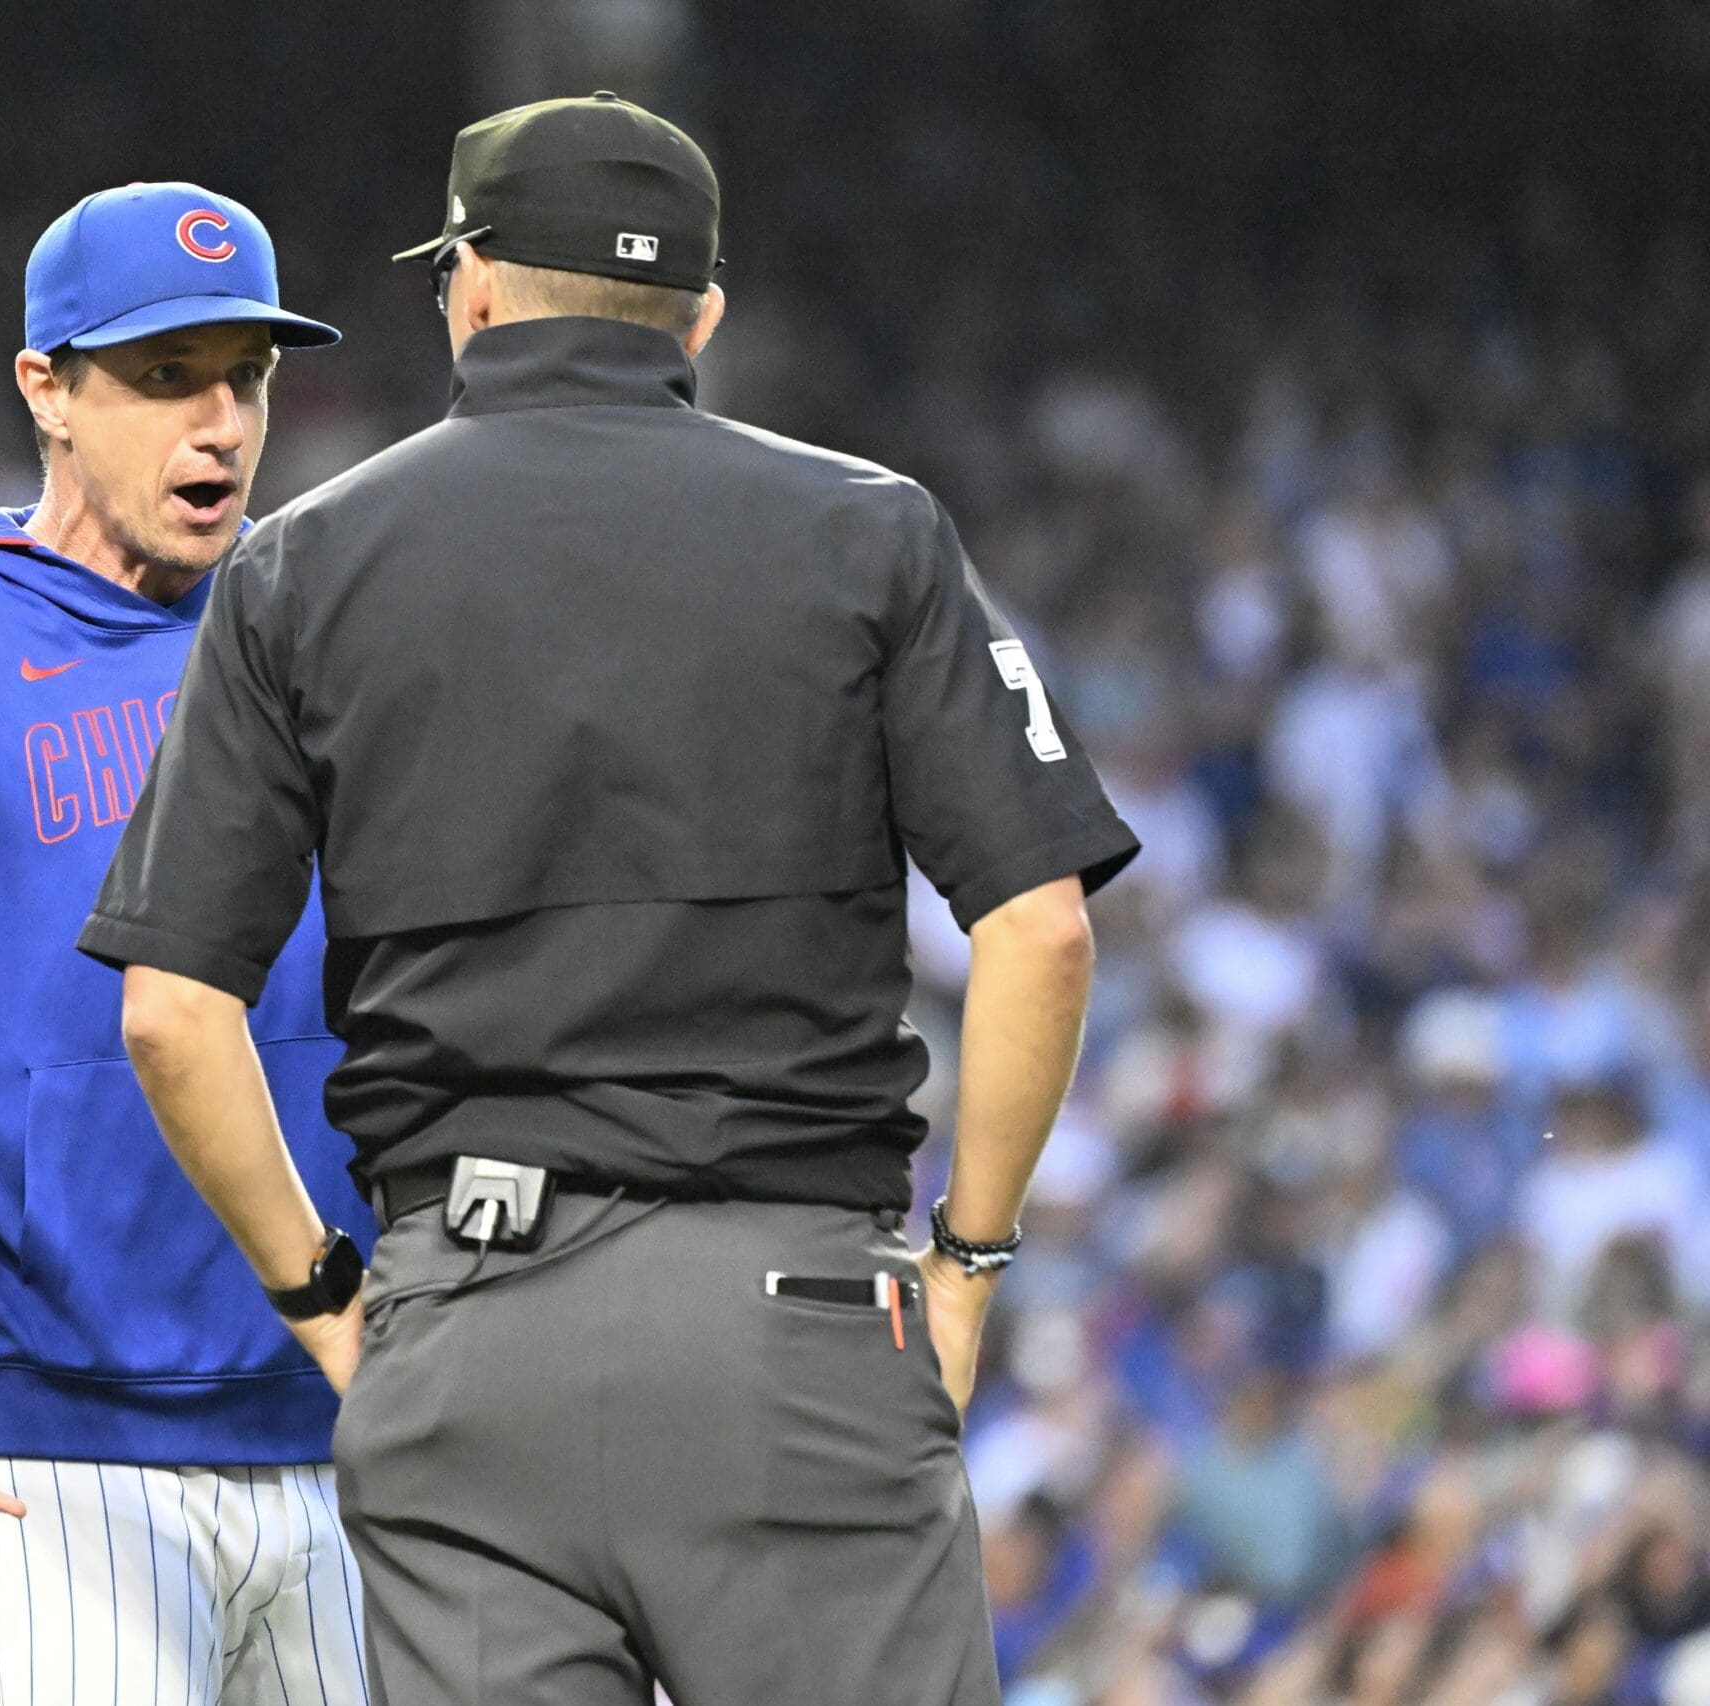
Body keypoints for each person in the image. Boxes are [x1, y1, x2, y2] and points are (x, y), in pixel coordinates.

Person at [79, 97, 1139, 1704]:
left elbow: (169, 1009)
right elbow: (1042, 925)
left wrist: (328, 1299)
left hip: (468, 1327)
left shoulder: (302, 565)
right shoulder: (872, 530)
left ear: (474, 288)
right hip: (798, 1329)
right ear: (703, 314)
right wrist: (970, 1262)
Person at [0, 182, 370, 1705]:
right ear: (46, 387)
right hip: (45, 1441)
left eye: (246, 376)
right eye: (166, 377)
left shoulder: (319, 645)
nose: (221, 424)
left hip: (336, 1407)